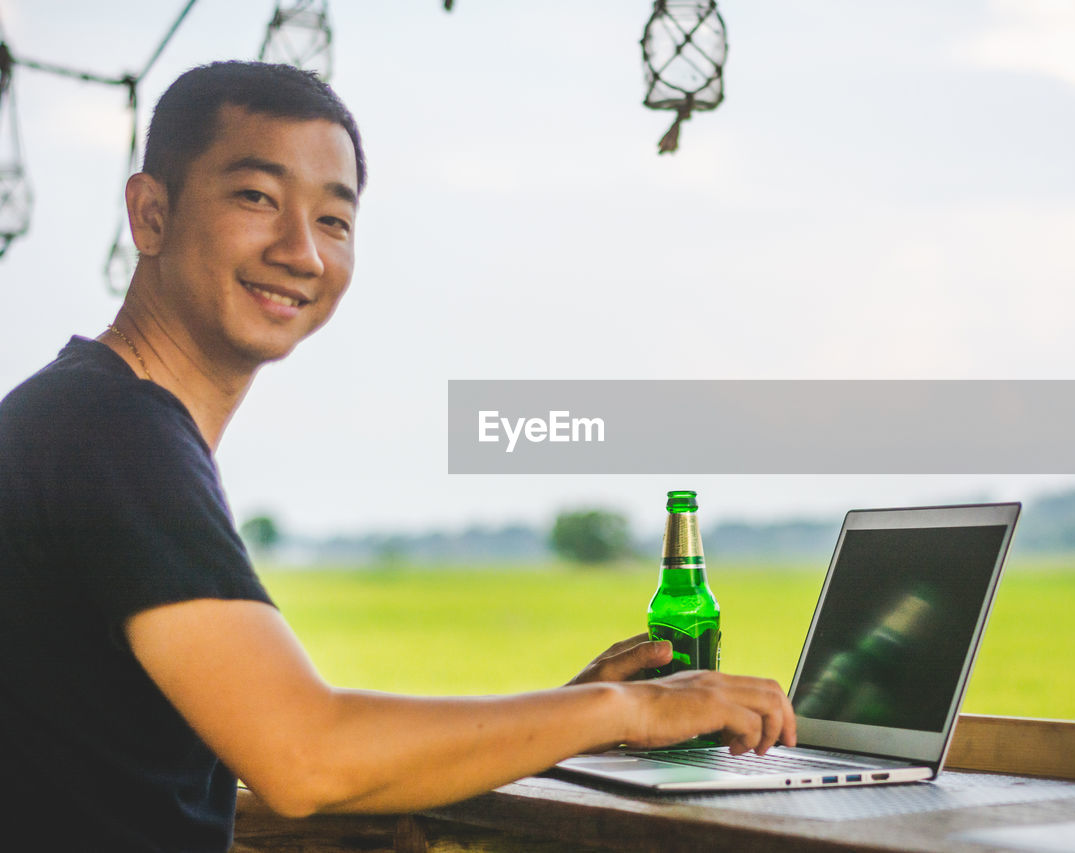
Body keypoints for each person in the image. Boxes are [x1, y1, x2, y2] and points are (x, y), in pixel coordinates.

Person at [0, 61, 794, 852]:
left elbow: (257, 753)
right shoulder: (112, 433)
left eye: (334, 221)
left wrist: (558, 717)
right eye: (257, 198)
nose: (301, 251)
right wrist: (631, 710)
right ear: (151, 215)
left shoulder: (86, 416)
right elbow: (305, 754)